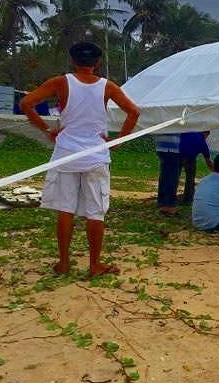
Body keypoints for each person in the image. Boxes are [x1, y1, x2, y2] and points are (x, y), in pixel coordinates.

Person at [19, 41, 140, 276]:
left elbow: (26, 103)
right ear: (97, 63)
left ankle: (64, 263)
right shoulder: (107, 86)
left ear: (73, 61)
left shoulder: (61, 82)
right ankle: (95, 265)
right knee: (95, 212)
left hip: (66, 154)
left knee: (65, 210)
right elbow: (133, 112)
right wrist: (118, 141)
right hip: (96, 155)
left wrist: (47, 130)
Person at [179, 131, 213, 205]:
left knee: (173, 177)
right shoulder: (202, 142)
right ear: (206, 134)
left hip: (176, 154)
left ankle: (168, 199)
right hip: (189, 159)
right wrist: (217, 172)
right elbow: (208, 161)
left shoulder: (190, 132)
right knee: (190, 179)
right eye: (207, 135)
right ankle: (188, 200)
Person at [154, 132, 182, 216]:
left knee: (165, 175)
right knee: (172, 177)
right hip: (172, 147)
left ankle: (162, 202)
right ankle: (169, 205)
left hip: (160, 146)